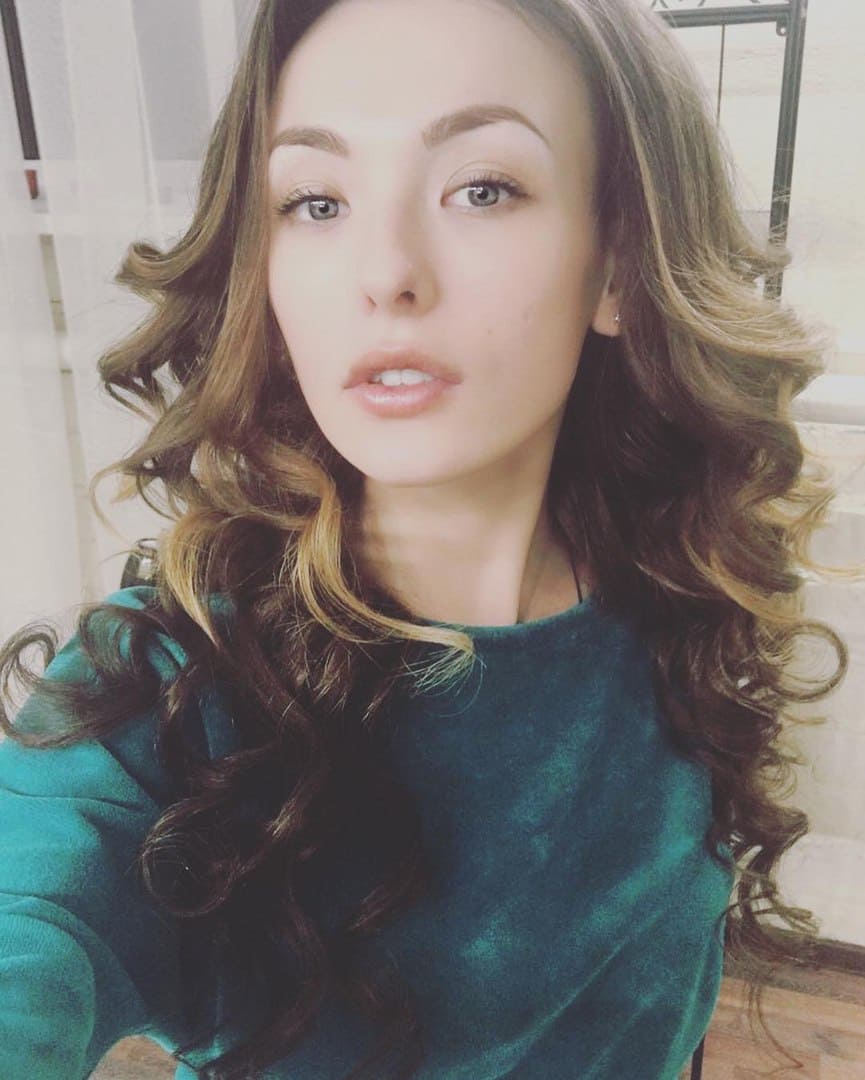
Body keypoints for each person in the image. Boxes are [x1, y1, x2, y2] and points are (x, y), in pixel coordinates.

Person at [0, 0, 857, 1077]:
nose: (385, 271)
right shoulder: (174, 689)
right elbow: (33, 918)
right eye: (316, 202)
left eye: (481, 188)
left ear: (618, 266)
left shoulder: (681, 600)